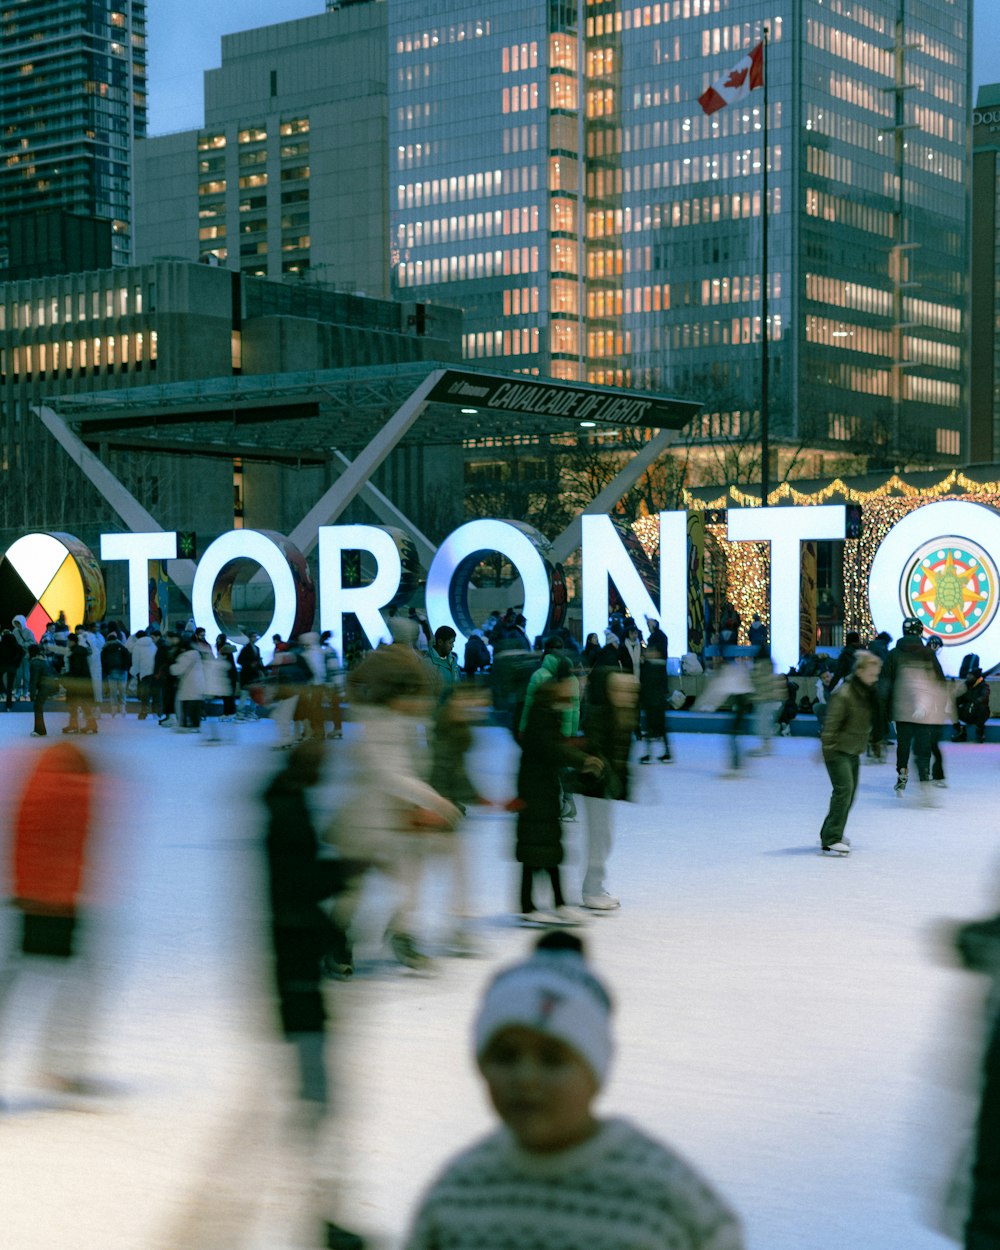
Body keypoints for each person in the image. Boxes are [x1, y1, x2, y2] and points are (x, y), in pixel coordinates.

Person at [404, 930, 744, 1250]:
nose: (525, 1077)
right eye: (505, 1056)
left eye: (552, 1059)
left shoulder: (666, 1198)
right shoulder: (458, 1196)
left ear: (595, 1072)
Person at [261, 740, 364, 1250]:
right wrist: (343, 872)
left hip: (294, 961)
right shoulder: (288, 813)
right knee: (317, 1094)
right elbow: (295, 887)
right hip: (294, 966)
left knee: (316, 1092)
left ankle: (321, 1211)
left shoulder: (286, 803)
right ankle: (319, 1214)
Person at [514, 679, 601, 925]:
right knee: (537, 852)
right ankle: (531, 907)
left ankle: (555, 903)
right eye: (567, 690)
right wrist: (582, 759)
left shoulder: (546, 715)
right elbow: (551, 748)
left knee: (547, 851)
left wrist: (578, 750)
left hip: (542, 790)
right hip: (535, 791)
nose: (571, 694)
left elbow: (555, 746)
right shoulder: (542, 716)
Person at [577, 668, 634, 910]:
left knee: (604, 838)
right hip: (595, 786)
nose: (627, 695)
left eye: (631, 690)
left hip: (607, 789)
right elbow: (596, 748)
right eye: (622, 690)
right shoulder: (600, 715)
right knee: (599, 839)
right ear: (610, 691)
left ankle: (594, 885)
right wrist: (609, 777)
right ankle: (592, 889)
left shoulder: (625, 715)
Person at [817, 650, 881, 855]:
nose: (874, 679)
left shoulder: (867, 692)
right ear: (860, 671)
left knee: (850, 793)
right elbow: (831, 726)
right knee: (844, 791)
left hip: (853, 749)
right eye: (871, 674)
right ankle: (831, 838)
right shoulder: (844, 694)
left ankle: (831, 831)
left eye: (876, 675)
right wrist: (828, 751)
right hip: (837, 750)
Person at [883, 617, 944, 797]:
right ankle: (924, 776)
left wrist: (887, 711)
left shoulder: (893, 654)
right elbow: (938, 680)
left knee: (903, 743)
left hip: (900, 707)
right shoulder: (927, 653)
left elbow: (885, 683)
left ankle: (902, 774)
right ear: (920, 632)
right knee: (923, 743)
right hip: (924, 708)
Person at [955, 664, 991, 744]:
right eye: (968, 674)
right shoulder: (965, 685)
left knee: (982, 708)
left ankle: (980, 731)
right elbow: (959, 698)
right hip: (967, 711)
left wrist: (974, 703)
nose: (968, 676)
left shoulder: (984, 686)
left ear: (976, 677)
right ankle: (960, 731)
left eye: (970, 675)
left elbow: (984, 697)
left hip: (978, 713)